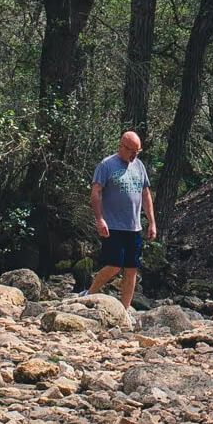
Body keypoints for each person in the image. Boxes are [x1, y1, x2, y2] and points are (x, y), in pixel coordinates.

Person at [86, 130, 157, 308]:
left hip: (134, 227)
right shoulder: (106, 165)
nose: (134, 155)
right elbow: (95, 193)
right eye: (131, 150)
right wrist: (99, 219)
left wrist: (152, 222)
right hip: (113, 225)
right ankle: (88, 295)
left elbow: (146, 194)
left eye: (137, 151)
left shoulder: (139, 166)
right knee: (114, 265)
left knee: (131, 269)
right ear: (122, 146)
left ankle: (124, 310)